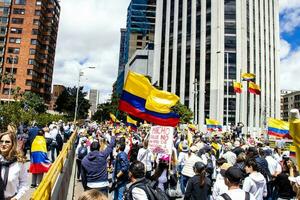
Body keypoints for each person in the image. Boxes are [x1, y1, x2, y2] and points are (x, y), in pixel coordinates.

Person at [0, 131, 29, 199]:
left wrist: (16, 197)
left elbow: (24, 183)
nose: (3, 144)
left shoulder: (19, 163)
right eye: (1, 141)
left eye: (7, 142)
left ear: (13, 144)